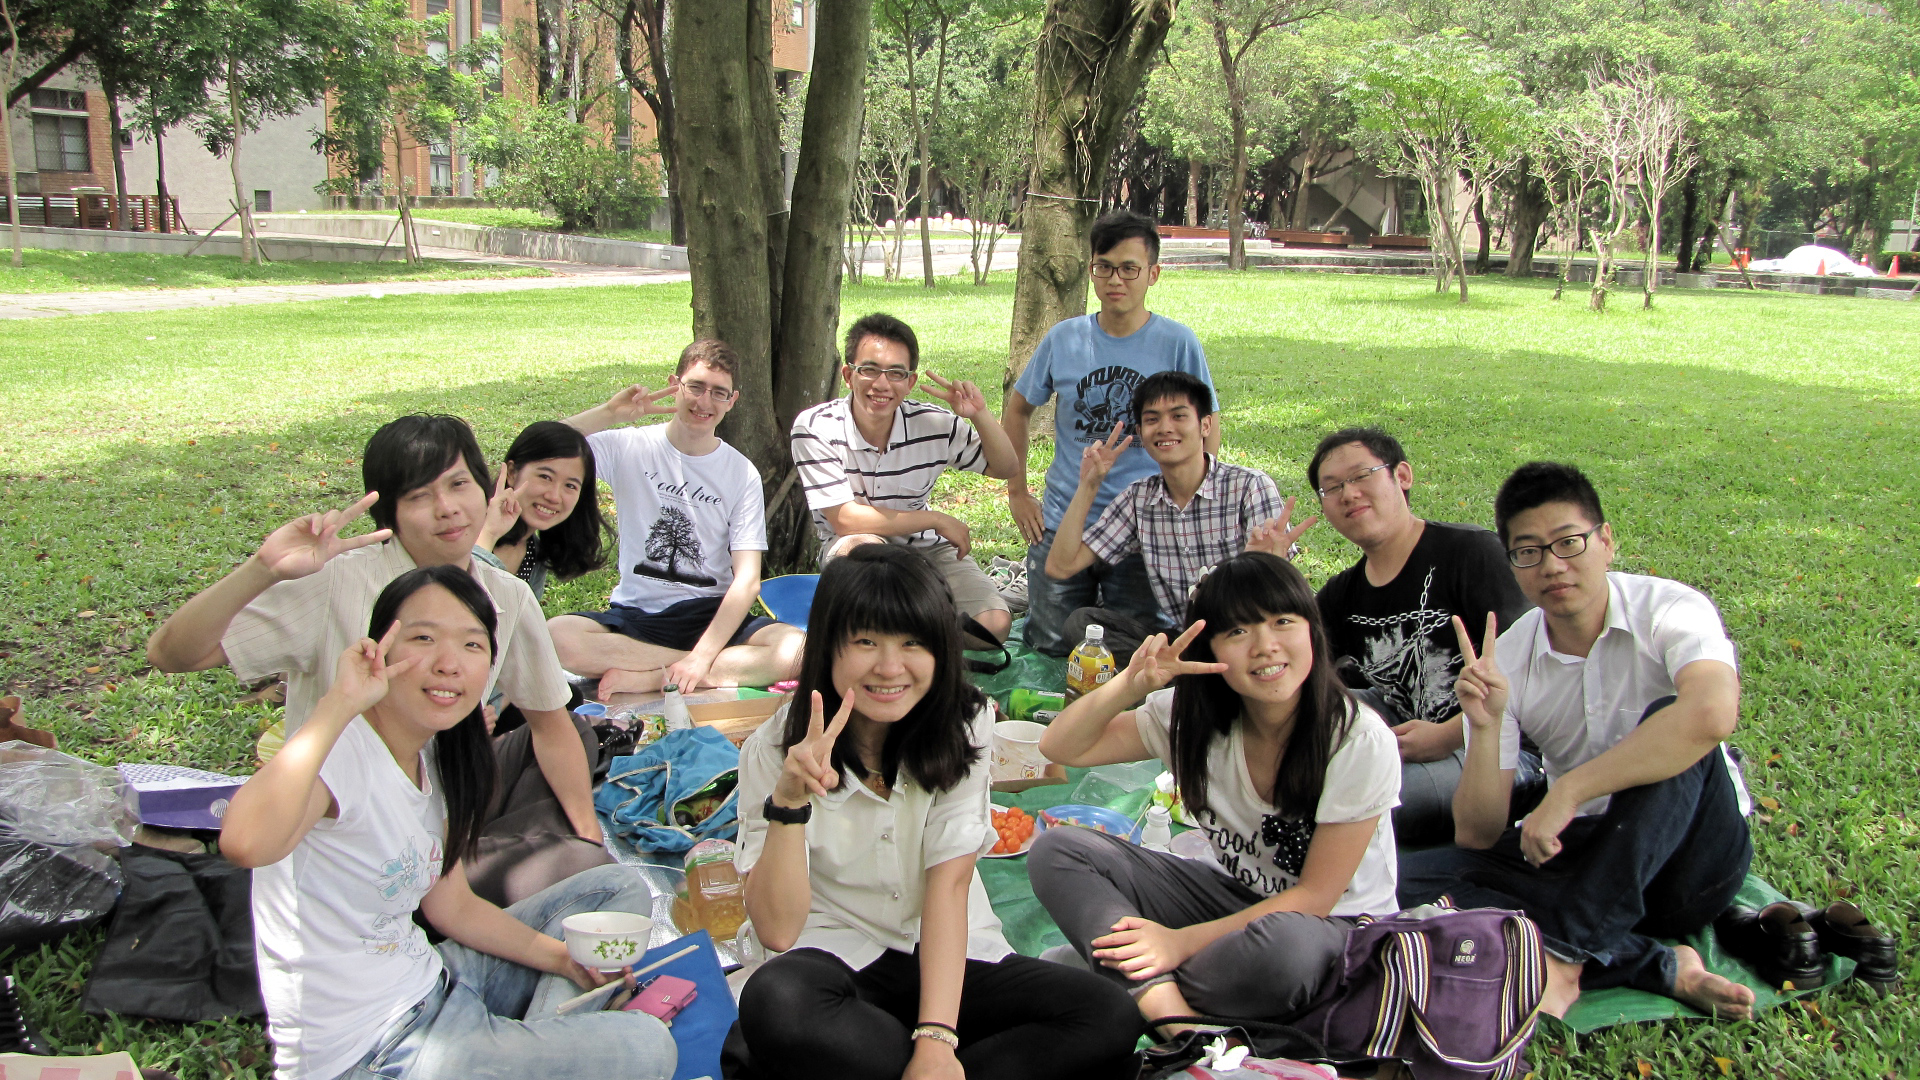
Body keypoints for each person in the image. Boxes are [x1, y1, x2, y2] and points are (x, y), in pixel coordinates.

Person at [221, 565, 674, 1080]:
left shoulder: (432, 758)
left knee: (614, 888)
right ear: (378, 650)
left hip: (438, 983)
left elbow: (452, 906)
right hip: (375, 1051)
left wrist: (564, 960)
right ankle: (544, 1048)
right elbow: (244, 843)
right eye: (423, 638)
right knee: (647, 1047)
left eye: (471, 645)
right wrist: (337, 704)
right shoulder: (342, 752)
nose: (448, 663)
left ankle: (540, 1045)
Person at [724, 544, 1141, 1080]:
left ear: (941, 648)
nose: (889, 667)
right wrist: (788, 804)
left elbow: (950, 884)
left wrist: (937, 1041)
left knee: (1108, 1014)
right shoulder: (775, 748)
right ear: (829, 647)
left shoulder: (963, 724)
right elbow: (778, 932)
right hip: (838, 963)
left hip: (950, 957)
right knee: (776, 1001)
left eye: (912, 642)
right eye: (866, 641)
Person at [1398, 462, 1756, 1021]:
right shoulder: (1509, 657)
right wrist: (1485, 727)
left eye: (1569, 542)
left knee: (1673, 721)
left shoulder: (1670, 609)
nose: (1552, 565)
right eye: (1529, 552)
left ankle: (1564, 953)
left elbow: (1712, 713)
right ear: (1513, 564)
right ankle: (1659, 964)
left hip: (1690, 862)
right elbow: (1477, 832)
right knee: (1395, 881)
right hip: (1578, 854)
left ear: (1606, 541)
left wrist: (1568, 792)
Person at [146, 414, 600, 845]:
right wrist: (262, 569)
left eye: (458, 484)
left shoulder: (507, 595)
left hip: (443, 821)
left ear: (487, 489)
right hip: (345, 829)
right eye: (419, 496)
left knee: (579, 741)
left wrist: (588, 837)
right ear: (389, 515)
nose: (447, 509)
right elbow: (172, 655)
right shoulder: (336, 582)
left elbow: (551, 725)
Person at [1028, 552, 1401, 1032]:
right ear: (1210, 649)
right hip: (1233, 898)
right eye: (1238, 631)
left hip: (1332, 931)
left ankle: (1120, 984)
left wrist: (1178, 944)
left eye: (1283, 621)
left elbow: (1316, 897)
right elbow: (1060, 746)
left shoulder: (1357, 740)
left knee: (1287, 953)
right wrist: (1128, 686)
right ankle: (1176, 1019)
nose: (1265, 646)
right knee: (1058, 849)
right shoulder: (1190, 717)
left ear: (1313, 630)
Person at [1306, 427, 1539, 846]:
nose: (1348, 494)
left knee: (1365, 806)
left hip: (1502, 748)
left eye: (1361, 476)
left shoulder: (1470, 553)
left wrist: (1451, 734)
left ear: (1402, 476)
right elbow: (1292, 665)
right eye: (1332, 487)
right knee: (1296, 730)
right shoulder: (1344, 593)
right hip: (1405, 725)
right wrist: (1267, 571)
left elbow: (1534, 670)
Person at [1004, 209, 1219, 656]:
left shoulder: (1178, 342)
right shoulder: (1064, 338)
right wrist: (1017, 491)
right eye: (1104, 267)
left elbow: (1207, 424)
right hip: (1064, 519)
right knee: (1049, 646)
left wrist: (1193, 505)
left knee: (1137, 648)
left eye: (1129, 269)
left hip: (1145, 527)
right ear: (1091, 270)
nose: (1115, 280)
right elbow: (1019, 408)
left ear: (1153, 274)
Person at [549, 339, 805, 698]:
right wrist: (610, 413)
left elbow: (747, 581)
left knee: (798, 650)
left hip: (710, 617)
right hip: (637, 616)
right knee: (557, 637)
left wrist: (702, 655)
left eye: (718, 392)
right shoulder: (629, 447)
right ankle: (690, 671)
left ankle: (653, 676)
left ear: (732, 401)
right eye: (695, 387)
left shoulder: (740, 472)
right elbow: (543, 447)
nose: (704, 402)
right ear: (675, 385)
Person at [1041, 371, 1312, 660]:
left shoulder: (1249, 486)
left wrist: (1265, 564)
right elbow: (1061, 566)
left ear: (1205, 425)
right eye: (1152, 419)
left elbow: (1276, 595)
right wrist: (1089, 485)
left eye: (1179, 416)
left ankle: (1181, 680)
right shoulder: (1139, 499)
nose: (1164, 428)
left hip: (1249, 635)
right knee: (1082, 625)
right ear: (1141, 431)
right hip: (1188, 643)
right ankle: (1179, 677)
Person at [790, 313, 1024, 644]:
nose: (881, 384)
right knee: (869, 569)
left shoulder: (934, 424)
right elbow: (845, 520)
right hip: (856, 546)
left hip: (925, 549)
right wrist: (936, 519)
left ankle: (912, 632)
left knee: (992, 628)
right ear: (848, 375)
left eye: (896, 373)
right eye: (869, 370)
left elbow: (1006, 467)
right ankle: (907, 629)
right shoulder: (816, 427)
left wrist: (980, 415)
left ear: (910, 382)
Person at [473, 420, 611, 607]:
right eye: (545, 477)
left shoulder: (533, 555)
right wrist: (488, 534)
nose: (554, 496)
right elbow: (455, 596)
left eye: (570, 485)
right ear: (512, 473)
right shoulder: (464, 527)